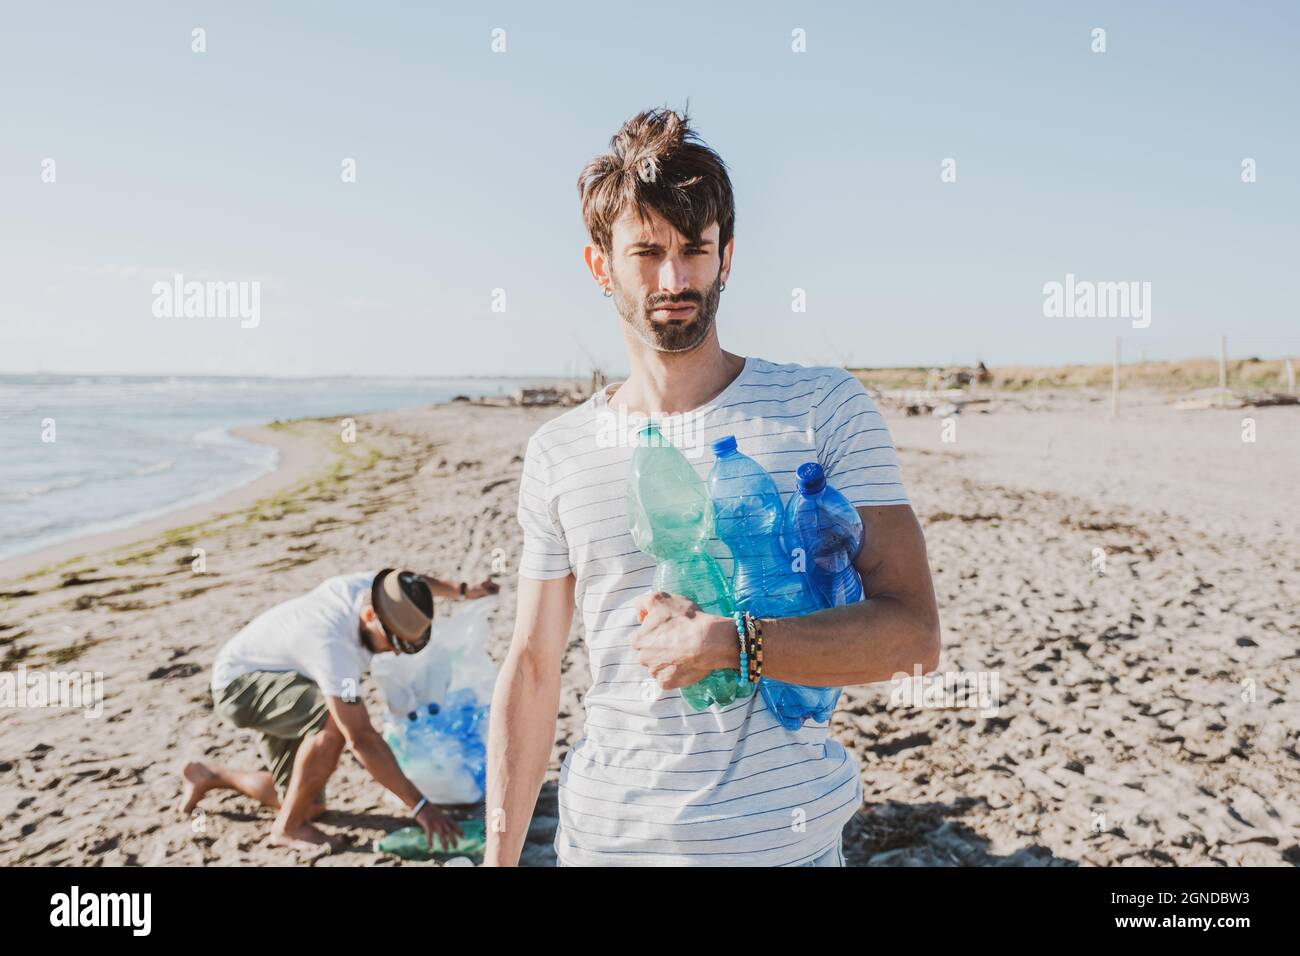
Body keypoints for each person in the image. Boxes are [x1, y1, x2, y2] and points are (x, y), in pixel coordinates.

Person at [485, 108, 941, 867]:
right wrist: (497, 860)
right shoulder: (559, 451)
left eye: (695, 250)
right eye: (647, 252)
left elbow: (914, 640)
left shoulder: (822, 409)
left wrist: (734, 645)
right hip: (606, 844)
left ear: (726, 257)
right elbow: (533, 668)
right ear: (601, 267)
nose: (675, 278)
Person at [182, 568, 498, 851]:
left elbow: (412, 581)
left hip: (292, 678)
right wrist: (422, 808)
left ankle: (211, 776)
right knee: (332, 721)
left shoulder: (374, 588)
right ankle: (288, 829)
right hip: (240, 687)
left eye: (408, 647)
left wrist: (460, 590)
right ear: (372, 617)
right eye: (394, 643)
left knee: (305, 803)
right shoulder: (335, 651)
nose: (397, 655)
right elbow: (361, 738)